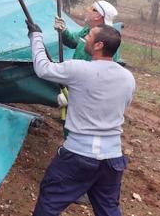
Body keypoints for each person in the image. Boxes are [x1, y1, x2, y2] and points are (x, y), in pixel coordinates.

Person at [26, 20, 136, 216]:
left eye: (89, 36)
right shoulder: (128, 77)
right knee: (108, 208)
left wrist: (36, 37)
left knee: (50, 202)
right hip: (112, 158)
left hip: (79, 155)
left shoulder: (79, 69)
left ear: (98, 45)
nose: (84, 38)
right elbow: (120, 105)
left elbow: (43, 68)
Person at [54, 0, 119, 61]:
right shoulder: (87, 30)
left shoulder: (107, 39)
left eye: (91, 9)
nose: (88, 10)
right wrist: (63, 31)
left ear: (98, 16)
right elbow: (74, 42)